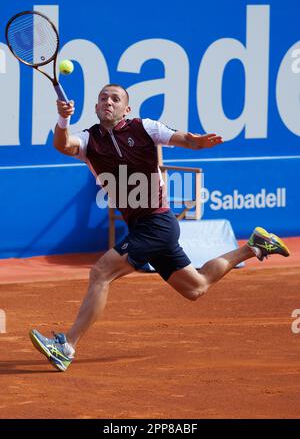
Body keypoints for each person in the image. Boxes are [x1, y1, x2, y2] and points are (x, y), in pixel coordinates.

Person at [29, 84, 290, 372]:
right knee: (196, 287)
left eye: (115, 99)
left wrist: (197, 142)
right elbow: (63, 146)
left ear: (126, 109)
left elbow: (183, 139)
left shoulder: (145, 127)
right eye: (103, 98)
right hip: (141, 226)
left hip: (158, 222)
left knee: (101, 271)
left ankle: (67, 346)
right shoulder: (89, 139)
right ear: (95, 107)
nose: (108, 102)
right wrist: (63, 119)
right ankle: (255, 246)